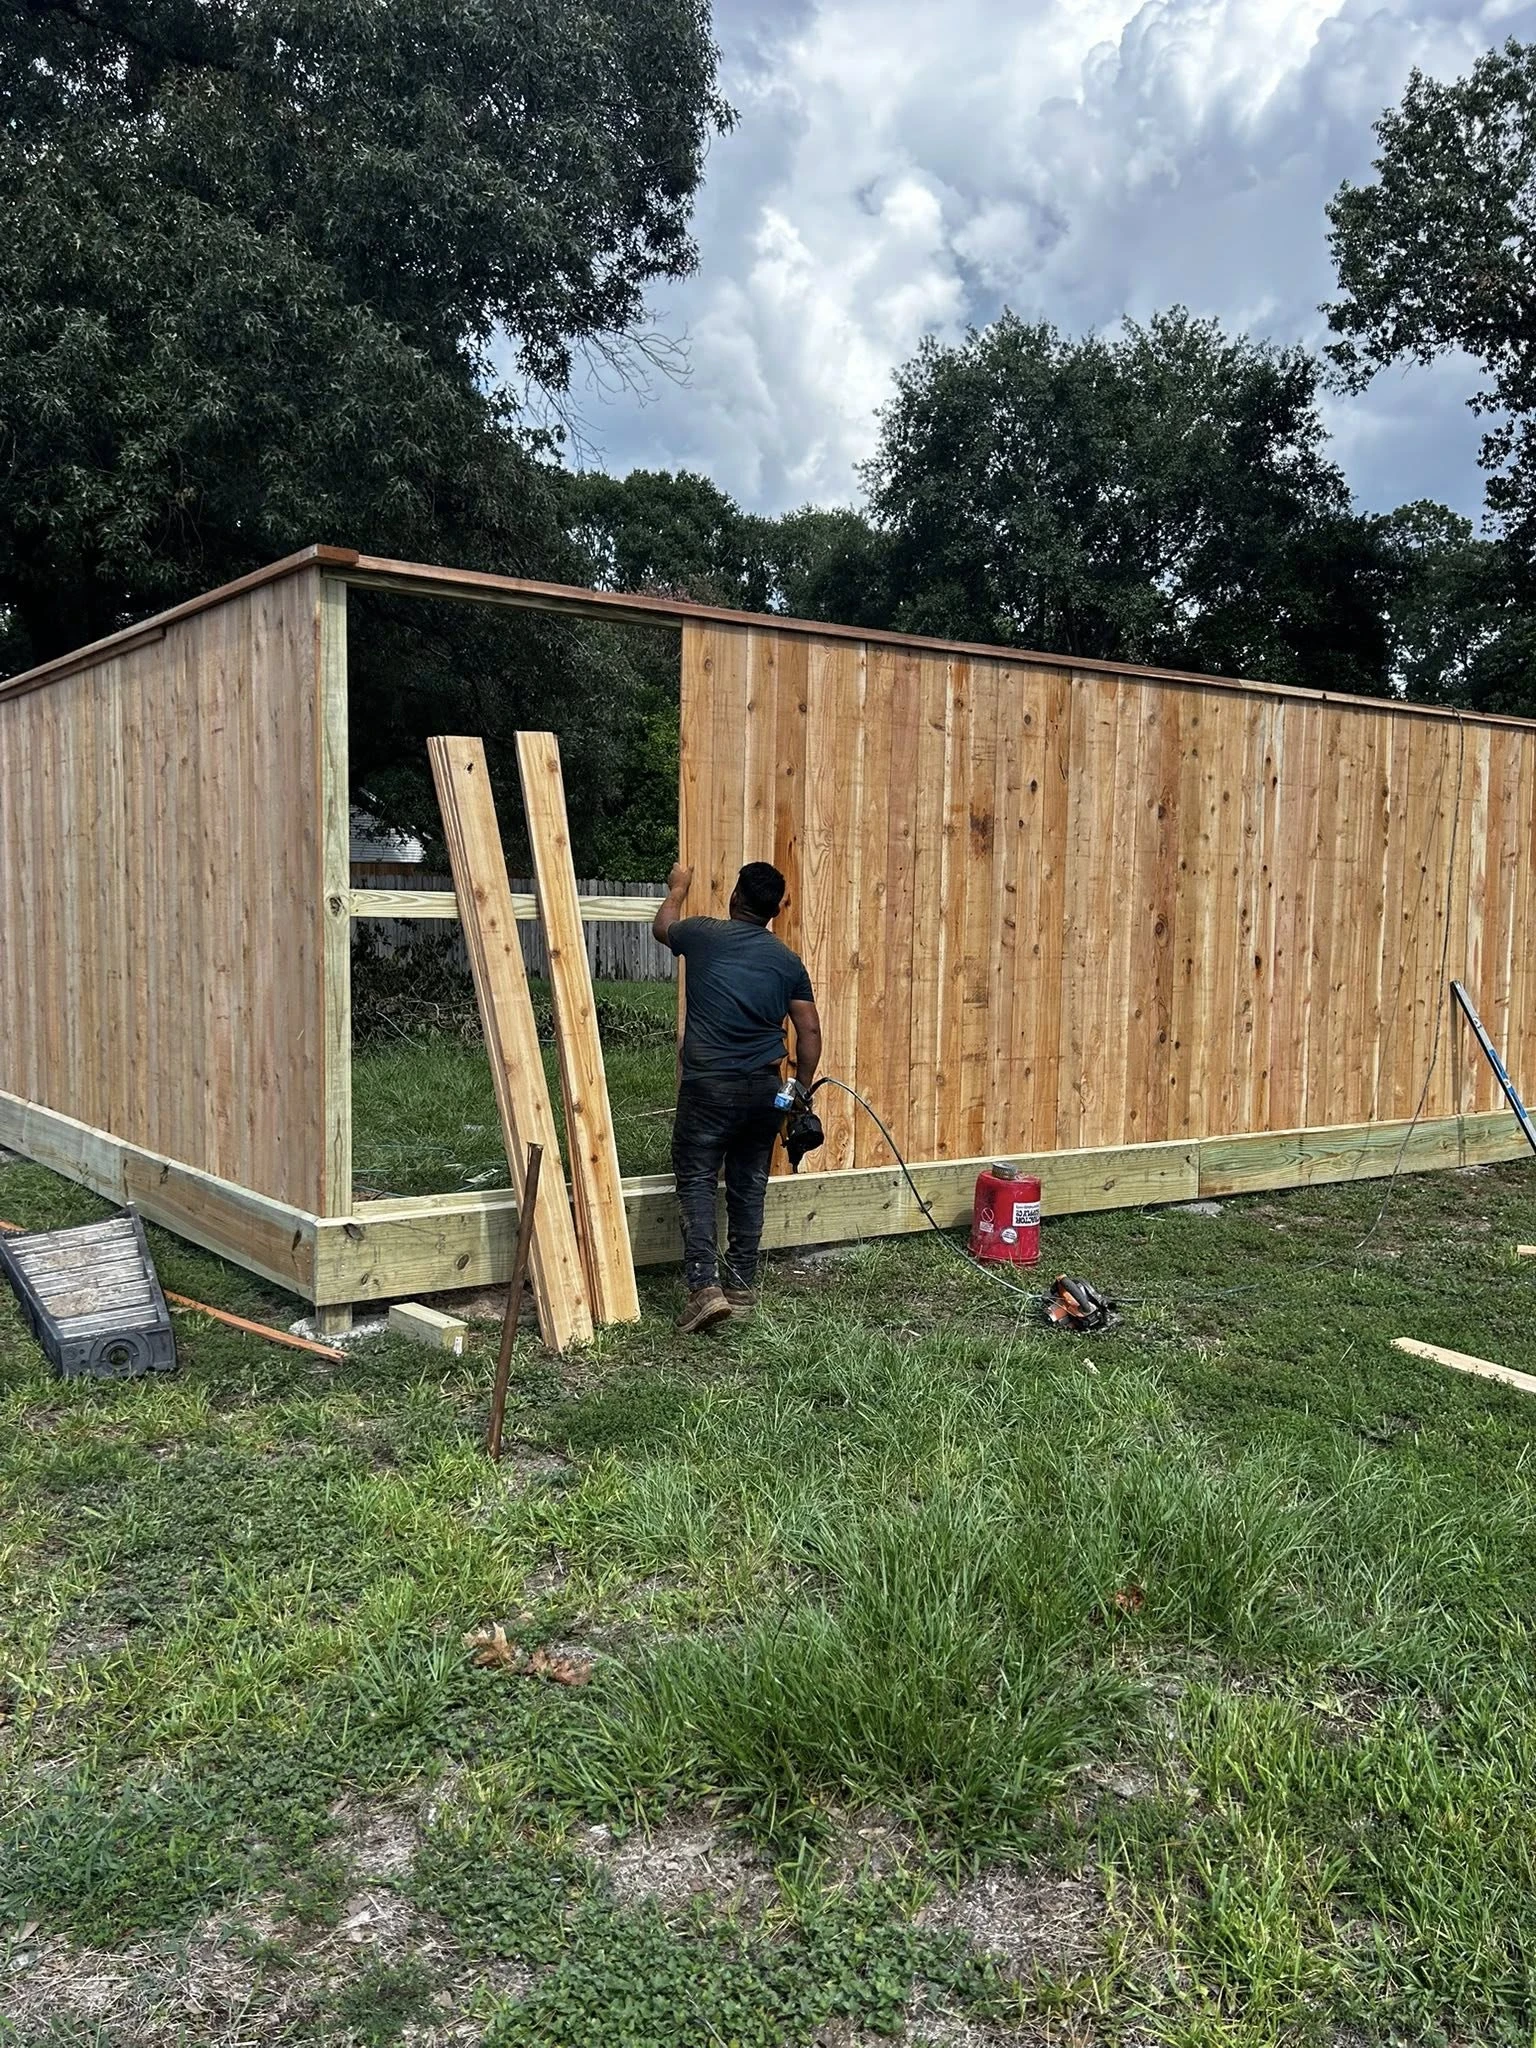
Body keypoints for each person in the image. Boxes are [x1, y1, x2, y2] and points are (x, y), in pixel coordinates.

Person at [652, 859, 822, 1333]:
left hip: (709, 1085)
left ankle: (704, 1288)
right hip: (766, 1090)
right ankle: (742, 1286)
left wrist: (679, 887)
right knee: (749, 1182)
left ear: (734, 897)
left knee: (698, 1177)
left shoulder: (705, 935)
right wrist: (799, 1088)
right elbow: (808, 1029)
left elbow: (662, 927)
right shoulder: (787, 961)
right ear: (773, 911)